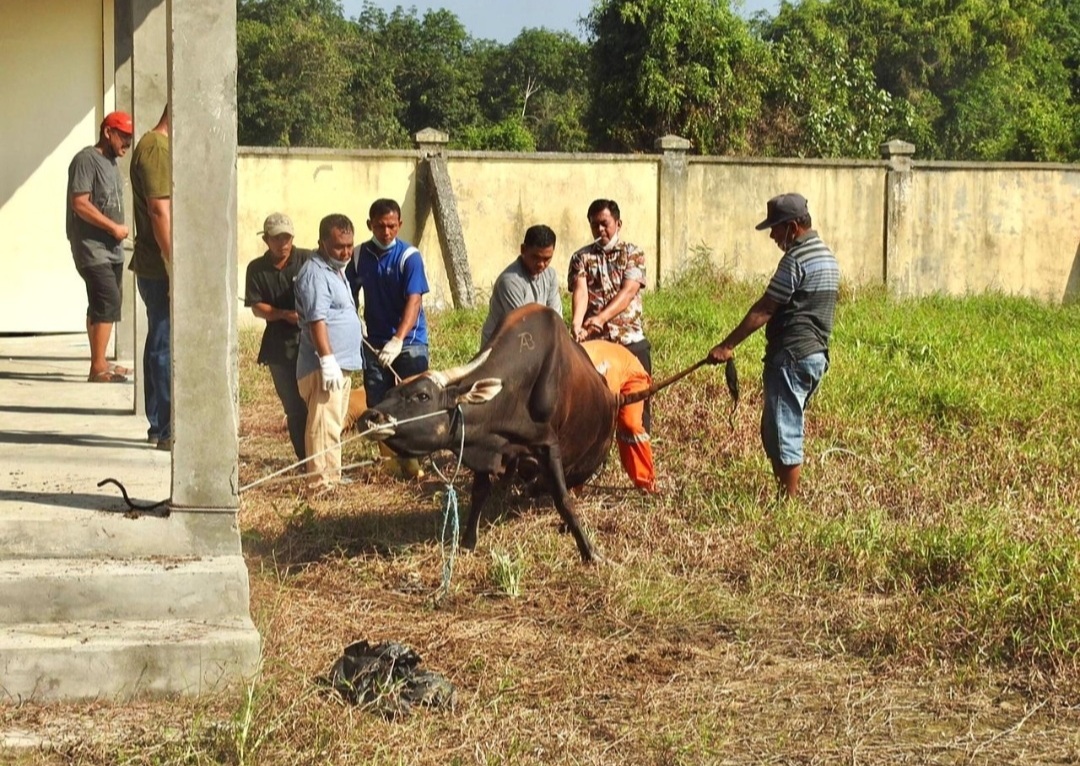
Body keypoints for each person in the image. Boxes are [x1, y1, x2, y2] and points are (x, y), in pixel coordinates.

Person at [706, 193, 840, 499]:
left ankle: (787, 503)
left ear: (793, 227)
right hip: (816, 354)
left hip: (792, 356)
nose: (773, 235)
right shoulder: (826, 255)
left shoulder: (796, 259)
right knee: (778, 425)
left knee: (784, 430)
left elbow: (765, 308)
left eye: (776, 228)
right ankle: (784, 494)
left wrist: (727, 345)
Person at [345, 198, 429, 479]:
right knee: (378, 402)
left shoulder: (409, 257)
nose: (386, 232)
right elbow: (348, 292)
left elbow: (414, 301)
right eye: (380, 226)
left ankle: (413, 458)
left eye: (392, 226)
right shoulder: (358, 256)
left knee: (414, 399)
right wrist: (355, 323)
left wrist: (398, 339)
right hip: (373, 341)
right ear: (370, 225)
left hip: (409, 341)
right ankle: (388, 458)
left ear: (400, 224)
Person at [568, 198, 652, 429]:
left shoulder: (633, 253)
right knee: (595, 407)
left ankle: (640, 454)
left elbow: (628, 293)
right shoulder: (580, 258)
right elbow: (581, 291)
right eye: (594, 225)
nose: (600, 230)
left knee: (637, 411)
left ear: (618, 223)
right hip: (598, 344)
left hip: (630, 340)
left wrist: (601, 318)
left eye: (604, 223)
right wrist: (577, 324)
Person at [295, 213, 364, 488]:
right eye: (339, 247)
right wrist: (327, 359)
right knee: (323, 425)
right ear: (322, 243)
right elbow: (317, 320)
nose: (346, 252)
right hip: (324, 367)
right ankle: (321, 483)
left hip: (341, 363)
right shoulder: (314, 273)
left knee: (333, 423)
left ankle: (331, 476)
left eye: (349, 245)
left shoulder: (336, 270)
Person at [66, 111, 134, 384]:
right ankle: (97, 367)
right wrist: (112, 227)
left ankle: (101, 359)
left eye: (130, 138)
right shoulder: (86, 159)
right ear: (108, 132)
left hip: (112, 248)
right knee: (108, 300)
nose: (127, 143)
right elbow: (80, 203)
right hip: (92, 247)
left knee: (99, 303)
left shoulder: (111, 163)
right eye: (123, 137)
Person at [244, 212, 313, 465]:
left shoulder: (308, 259)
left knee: (317, 405)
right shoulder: (256, 268)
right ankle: (305, 460)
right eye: (276, 238)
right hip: (279, 347)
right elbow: (256, 307)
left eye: (287, 237)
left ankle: (323, 459)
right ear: (266, 240)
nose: (282, 243)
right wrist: (283, 314)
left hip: (311, 342)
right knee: (294, 407)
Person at [129, 105, 172, 450]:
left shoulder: (151, 144)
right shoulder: (157, 148)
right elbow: (160, 210)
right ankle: (166, 425)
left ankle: (159, 423)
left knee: (158, 339)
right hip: (160, 266)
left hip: (153, 264)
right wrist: (174, 262)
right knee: (164, 343)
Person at [581, 340, 658, 494]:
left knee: (630, 425)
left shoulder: (600, 372)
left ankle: (646, 483)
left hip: (632, 376)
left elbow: (605, 412)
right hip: (606, 371)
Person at [480, 224, 562, 348]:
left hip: (531, 342)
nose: (541, 264)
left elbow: (555, 318)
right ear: (523, 250)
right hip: (500, 348)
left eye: (547, 259)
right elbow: (523, 325)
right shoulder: (510, 281)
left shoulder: (550, 275)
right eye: (535, 257)